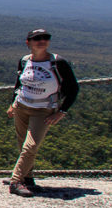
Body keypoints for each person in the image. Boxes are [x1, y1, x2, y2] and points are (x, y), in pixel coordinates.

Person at [5, 29, 79, 197]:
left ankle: (15, 181)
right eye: (37, 38)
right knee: (22, 143)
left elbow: (73, 88)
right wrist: (13, 103)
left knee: (30, 146)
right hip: (21, 107)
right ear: (28, 42)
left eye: (45, 38)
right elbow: (19, 84)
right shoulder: (24, 61)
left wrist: (61, 111)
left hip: (43, 110)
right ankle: (28, 179)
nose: (42, 41)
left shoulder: (58, 63)